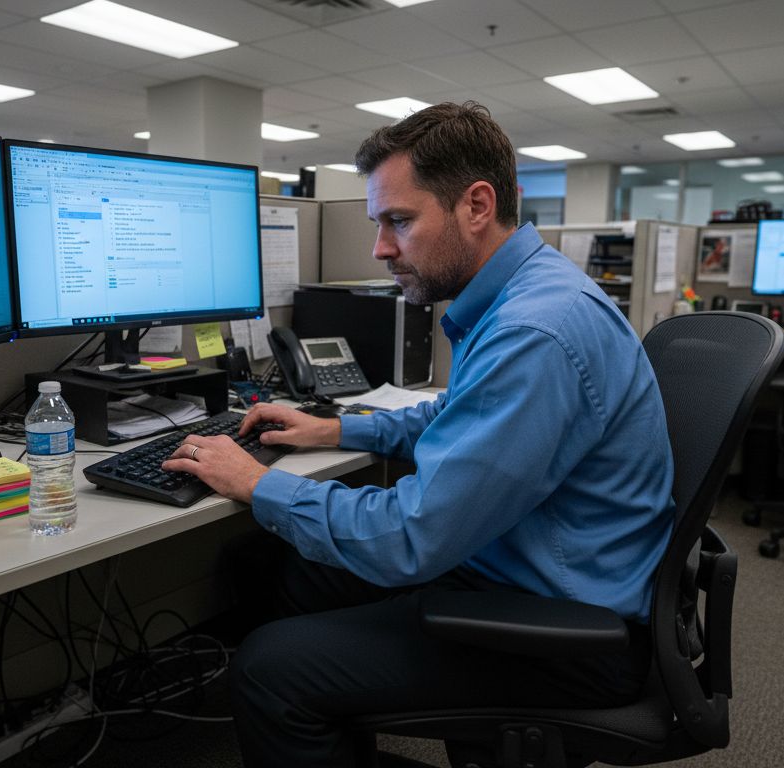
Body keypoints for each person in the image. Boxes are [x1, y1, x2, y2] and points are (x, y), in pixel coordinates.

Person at [160, 101, 675, 768]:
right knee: (279, 572)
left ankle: (309, 707)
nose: (379, 247)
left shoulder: (535, 331)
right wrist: (338, 428)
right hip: (526, 563)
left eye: (398, 221)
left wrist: (258, 484)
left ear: (477, 206)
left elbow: (411, 538)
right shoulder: (528, 293)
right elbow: (462, 417)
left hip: (561, 632)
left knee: (269, 670)